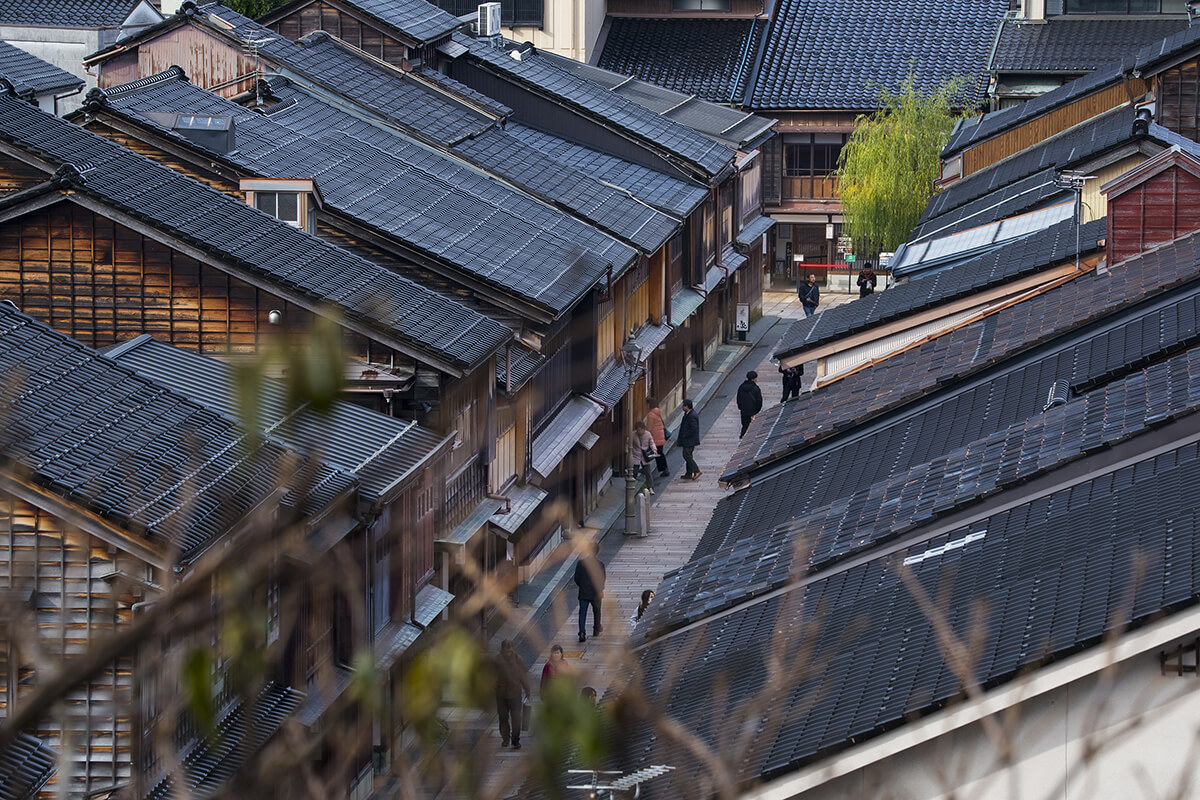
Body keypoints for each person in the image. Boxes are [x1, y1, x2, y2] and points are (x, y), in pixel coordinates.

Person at [494, 639, 530, 749]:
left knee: (516, 718)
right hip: (501, 695)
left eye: (510, 650)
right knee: (503, 718)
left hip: (515, 694)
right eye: (506, 650)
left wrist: (527, 690)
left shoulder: (518, 659)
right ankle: (505, 738)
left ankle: (515, 740)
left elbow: (523, 676)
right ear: (502, 650)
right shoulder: (497, 660)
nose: (508, 653)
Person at [574, 540, 606, 643]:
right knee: (597, 611)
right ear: (597, 552)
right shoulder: (600, 564)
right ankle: (596, 628)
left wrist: (582, 585)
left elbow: (576, 578)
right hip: (596, 592)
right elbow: (602, 579)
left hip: (584, 592)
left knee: (582, 613)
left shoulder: (581, 563)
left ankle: (582, 632)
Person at [644, 397, 670, 477]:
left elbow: (649, 428)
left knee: (656, 453)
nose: (646, 406)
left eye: (647, 404)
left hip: (655, 437)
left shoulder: (651, 415)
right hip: (660, 435)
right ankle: (664, 469)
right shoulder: (657, 411)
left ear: (649, 404)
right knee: (659, 453)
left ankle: (664, 469)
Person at [631, 419, 657, 495]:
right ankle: (631, 486)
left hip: (645, 456)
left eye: (641, 430)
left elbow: (651, 443)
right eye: (638, 430)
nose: (640, 431)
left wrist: (654, 449)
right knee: (634, 472)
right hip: (636, 455)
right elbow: (628, 443)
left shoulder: (648, 434)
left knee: (648, 472)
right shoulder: (633, 435)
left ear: (643, 429)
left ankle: (651, 488)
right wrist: (628, 452)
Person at [678, 398, 702, 480]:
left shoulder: (691, 416)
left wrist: (685, 434)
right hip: (689, 440)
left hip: (690, 440)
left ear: (686, 406)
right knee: (688, 455)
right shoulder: (688, 414)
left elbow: (693, 428)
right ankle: (689, 473)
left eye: (683, 405)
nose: (682, 407)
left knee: (686, 455)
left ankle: (696, 470)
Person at [736, 370, 763, 439]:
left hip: (744, 411)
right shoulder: (756, 388)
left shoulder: (741, 387)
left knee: (745, 426)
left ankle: (742, 437)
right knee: (752, 428)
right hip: (753, 412)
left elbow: (738, 399)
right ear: (753, 379)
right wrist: (756, 411)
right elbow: (759, 401)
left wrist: (741, 408)